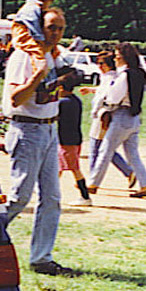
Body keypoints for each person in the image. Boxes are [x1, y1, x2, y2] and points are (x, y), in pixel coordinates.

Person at [2, 7, 71, 276]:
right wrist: (37, 76)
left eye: (60, 28)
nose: (55, 33)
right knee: (19, 197)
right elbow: (15, 98)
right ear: (38, 27)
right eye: (51, 27)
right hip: (27, 130)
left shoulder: (52, 55)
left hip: (49, 129)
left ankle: (42, 258)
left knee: (52, 198)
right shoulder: (24, 56)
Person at [88, 42, 146, 198]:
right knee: (132, 154)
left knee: (105, 150)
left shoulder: (124, 75)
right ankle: (145, 185)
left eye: (118, 56)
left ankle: (93, 183)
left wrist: (105, 103)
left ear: (124, 58)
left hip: (121, 115)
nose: (115, 60)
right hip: (134, 118)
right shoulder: (139, 73)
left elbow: (113, 98)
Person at [87, 51, 133, 186]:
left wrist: (95, 112)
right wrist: (92, 90)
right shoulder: (111, 77)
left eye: (102, 63)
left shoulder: (109, 77)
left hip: (102, 115)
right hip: (106, 114)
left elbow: (104, 96)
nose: (99, 66)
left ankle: (92, 180)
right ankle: (128, 172)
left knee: (96, 148)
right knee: (104, 148)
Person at [55, 71, 92, 206]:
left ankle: (85, 196)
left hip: (67, 140)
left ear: (61, 88)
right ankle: (47, 189)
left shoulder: (63, 103)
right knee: (58, 167)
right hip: (74, 138)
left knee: (74, 169)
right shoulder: (75, 100)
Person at [11, 0, 58, 74]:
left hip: (30, 40)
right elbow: (34, 30)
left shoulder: (33, 8)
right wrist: (42, 42)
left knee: (47, 59)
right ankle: (42, 78)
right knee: (40, 60)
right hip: (28, 39)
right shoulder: (32, 8)